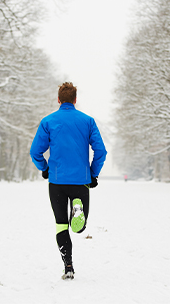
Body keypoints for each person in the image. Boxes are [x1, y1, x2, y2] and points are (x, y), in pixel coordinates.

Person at [30, 82, 107, 280]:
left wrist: (45, 168)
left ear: (58, 100)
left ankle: (69, 267)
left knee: (61, 225)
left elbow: (35, 151)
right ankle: (78, 209)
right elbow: (100, 151)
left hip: (57, 181)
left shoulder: (48, 121)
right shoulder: (87, 121)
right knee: (78, 227)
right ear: (75, 100)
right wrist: (93, 173)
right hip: (81, 181)